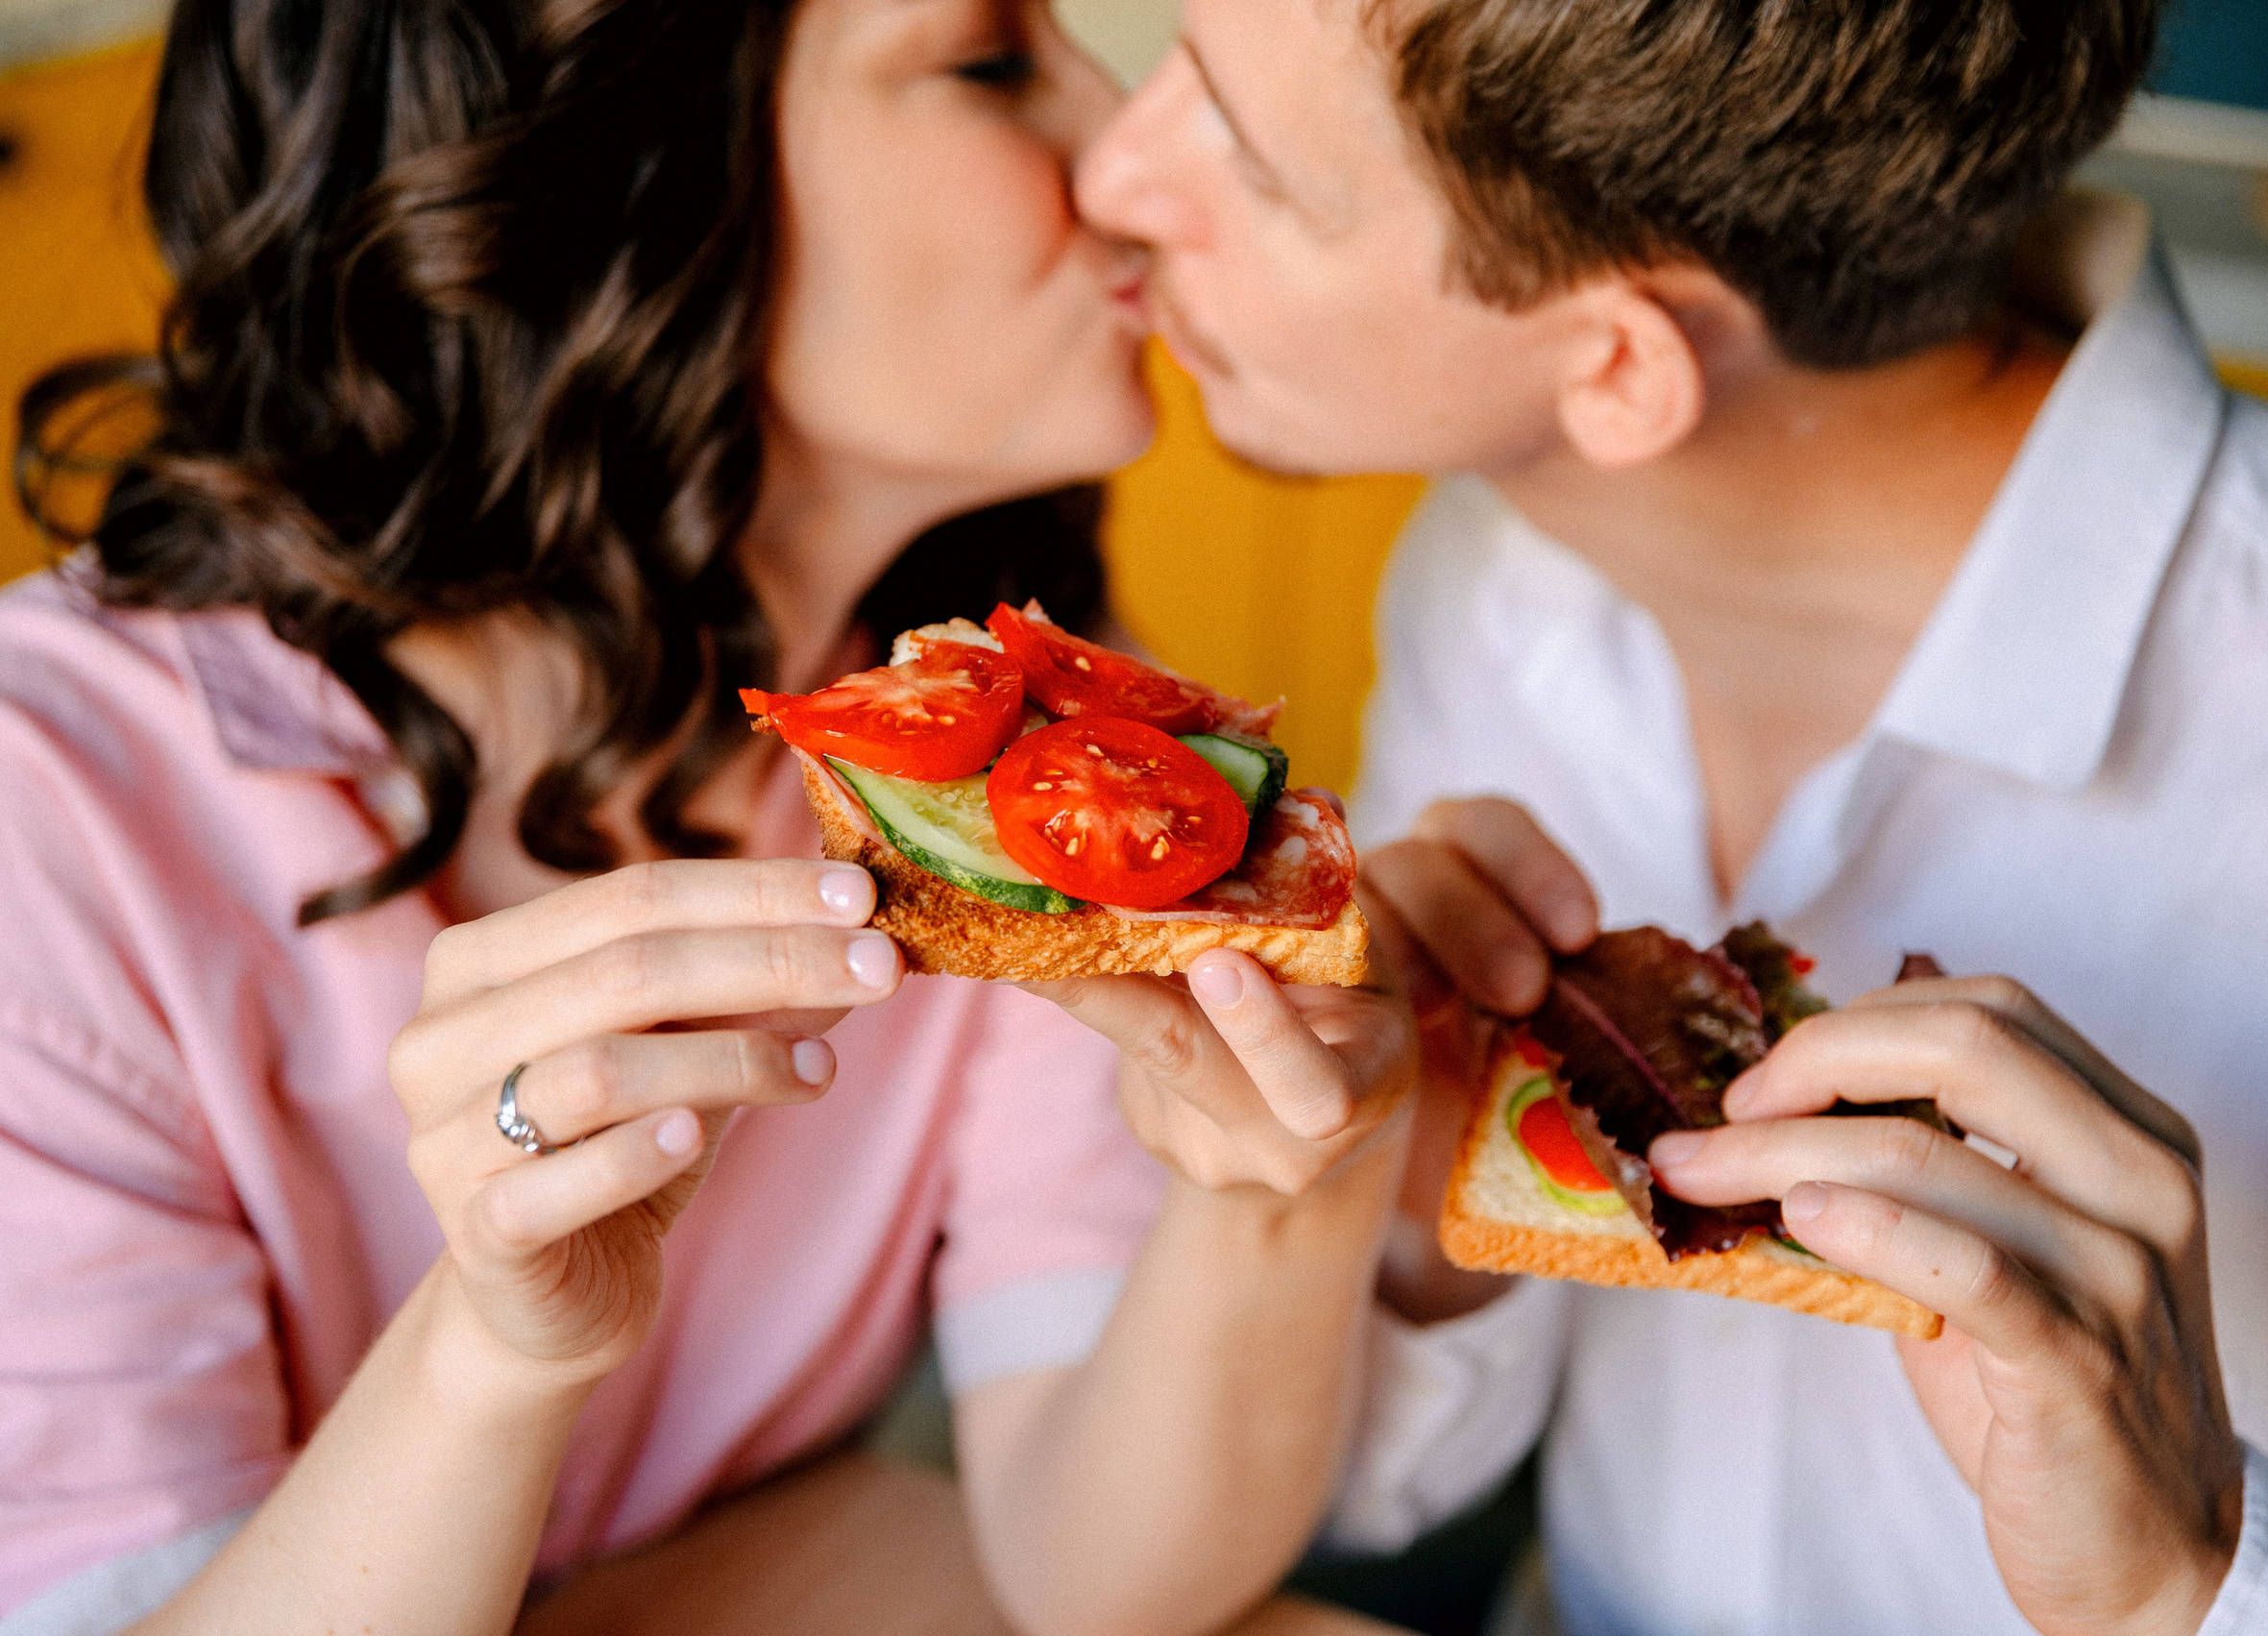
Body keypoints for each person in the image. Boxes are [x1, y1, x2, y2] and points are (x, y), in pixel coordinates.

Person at [0, 3, 1417, 1633]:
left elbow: (1103, 1576)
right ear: (607, 180)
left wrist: (1279, 1176)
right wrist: (490, 1359)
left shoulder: (1043, 776)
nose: (1129, 151)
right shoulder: (46, 817)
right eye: (985, 57)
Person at [1076, 0, 2268, 1631]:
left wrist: (2198, 1585)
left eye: (1256, 161)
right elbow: (1387, 1482)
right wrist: (1406, 1196)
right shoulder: (1501, 574)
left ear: (1618, 367)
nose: (1111, 173)